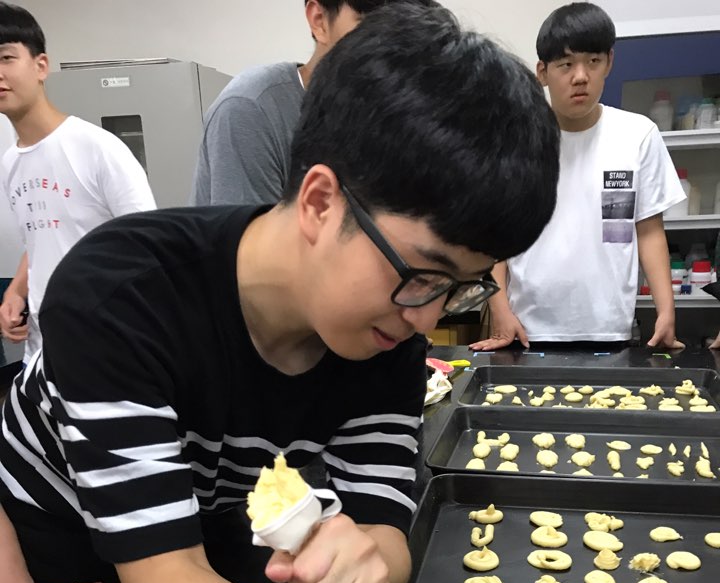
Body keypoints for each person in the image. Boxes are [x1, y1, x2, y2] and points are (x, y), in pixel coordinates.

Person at [0, 5, 560, 583]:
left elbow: (379, 518)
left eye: (460, 288)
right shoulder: (125, 291)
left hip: (185, 543)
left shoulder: (382, 331)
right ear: (321, 202)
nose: (426, 318)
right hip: (48, 549)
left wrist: (369, 570)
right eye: (422, 275)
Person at [470, 1, 685, 352]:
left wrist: (666, 311)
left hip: (610, 329)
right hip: (528, 331)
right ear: (543, 72)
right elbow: (496, 239)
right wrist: (500, 310)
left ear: (609, 62)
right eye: (566, 64)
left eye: (593, 61)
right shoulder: (516, 139)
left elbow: (648, 230)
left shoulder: (637, 135)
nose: (581, 76)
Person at [0, 2, 156, 364]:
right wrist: (16, 291)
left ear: (41, 65)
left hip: (105, 347)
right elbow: (44, 237)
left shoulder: (97, 148)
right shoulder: (10, 162)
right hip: (42, 351)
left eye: (6, 57)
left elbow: (150, 246)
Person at [190, 0, 435, 206]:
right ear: (319, 20)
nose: (391, 48)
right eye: (372, 26)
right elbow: (249, 246)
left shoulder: (385, 116)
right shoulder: (251, 108)